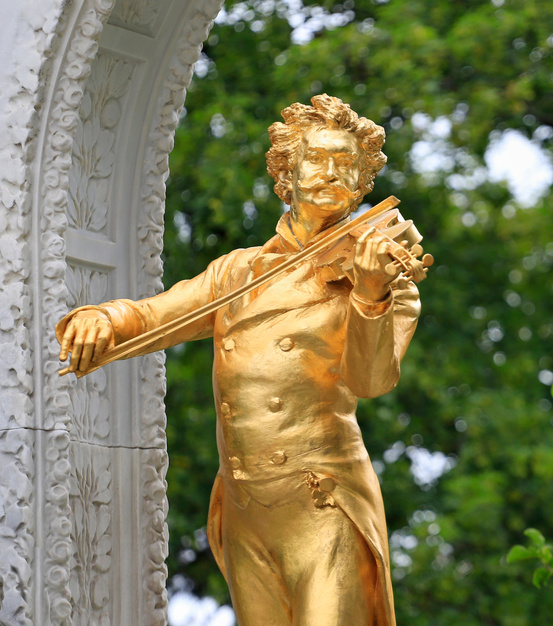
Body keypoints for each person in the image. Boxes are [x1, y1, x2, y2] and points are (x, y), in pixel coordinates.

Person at [57, 94, 421, 626]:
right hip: (246, 508)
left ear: (364, 180)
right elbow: (156, 315)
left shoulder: (385, 277)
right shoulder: (237, 271)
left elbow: (370, 381)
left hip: (322, 501)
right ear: (287, 173)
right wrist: (106, 319)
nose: (331, 174)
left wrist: (369, 296)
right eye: (316, 159)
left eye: (347, 163)